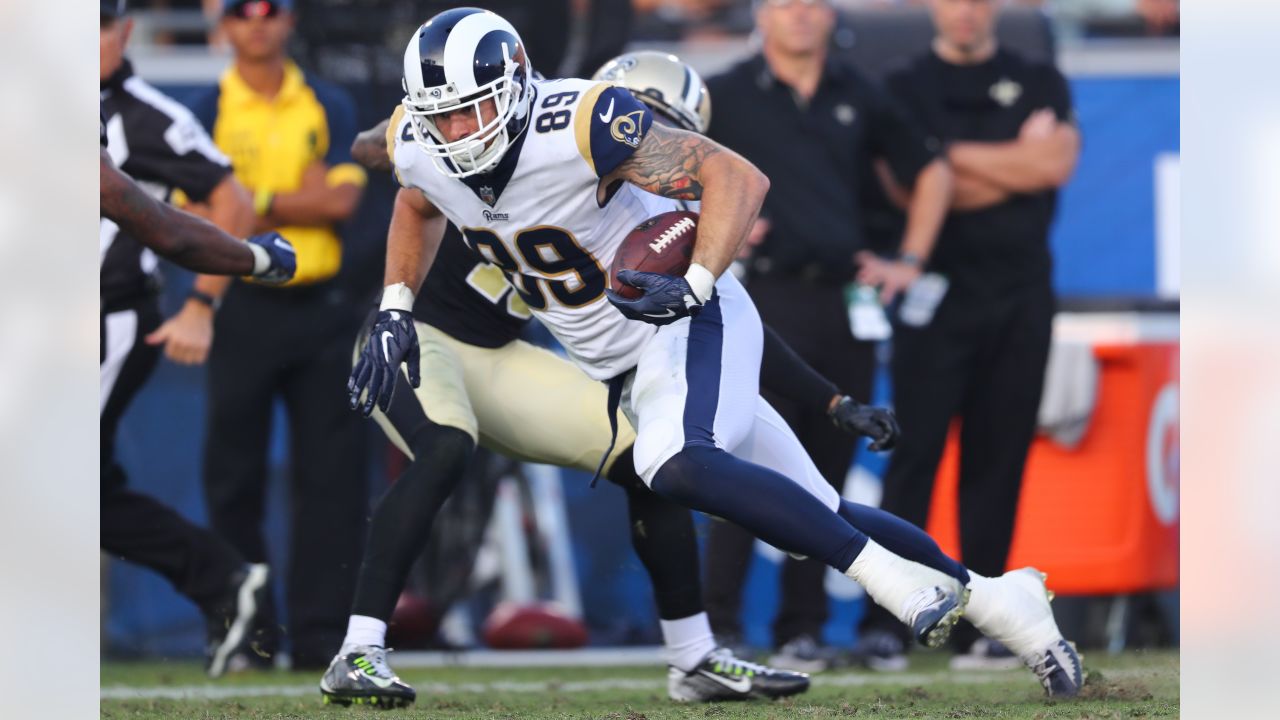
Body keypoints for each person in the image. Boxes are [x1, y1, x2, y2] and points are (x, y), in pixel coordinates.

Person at [351, 5, 1081, 701]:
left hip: (686, 315)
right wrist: (394, 304)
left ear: (513, 86)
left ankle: (895, 583)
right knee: (822, 508)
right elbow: (414, 197)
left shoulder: (576, 120)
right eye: (438, 112)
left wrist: (697, 281)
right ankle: (1003, 603)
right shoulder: (422, 144)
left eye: (467, 108)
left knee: (671, 461)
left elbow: (738, 177)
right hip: (625, 360)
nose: (453, 129)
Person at [320, 49, 897, 708]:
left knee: (643, 453)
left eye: (668, 131)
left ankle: (694, 658)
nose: (654, 147)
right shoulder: (498, 140)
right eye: (646, 123)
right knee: (446, 444)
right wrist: (388, 144)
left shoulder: (634, 209)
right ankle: (358, 649)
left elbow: (724, 316)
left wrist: (829, 398)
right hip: (420, 334)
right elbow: (404, 173)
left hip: (498, 353)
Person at [698, 0, 952, 671]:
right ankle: (717, 624)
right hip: (763, 293)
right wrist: (712, 218)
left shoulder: (858, 91)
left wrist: (910, 262)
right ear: (762, 16)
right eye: (786, 3)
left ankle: (801, 625)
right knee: (736, 462)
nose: (802, 15)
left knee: (824, 473)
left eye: (813, 3)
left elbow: (930, 170)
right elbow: (657, 167)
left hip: (844, 298)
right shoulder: (723, 94)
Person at [856, 0, 1082, 670]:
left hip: (1020, 294)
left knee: (999, 454)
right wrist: (1012, 158)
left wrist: (945, 161)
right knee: (914, 454)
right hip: (938, 294)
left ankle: (992, 618)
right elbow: (908, 190)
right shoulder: (902, 83)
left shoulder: (1038, 76)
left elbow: (1052, 167)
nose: (966, 12)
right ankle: (887, 622)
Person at [187, 0, 370, 669]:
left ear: (290, 20)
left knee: (331, 482)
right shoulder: (205, 110)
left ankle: (323, 637)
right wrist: (291, 198)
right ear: (223, 26)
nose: (256, 22)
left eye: (270, 9)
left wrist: (243, 199)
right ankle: (247, 635)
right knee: (233, 479)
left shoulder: (327, 101)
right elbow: (189, 213)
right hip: (240, 310)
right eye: (241, 11)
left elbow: (342, 203)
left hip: (321, 310)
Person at [99, 99, 297, 677]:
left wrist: (210, 295)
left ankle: (220, 578)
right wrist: (258, 257)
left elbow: (156, 215)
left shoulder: (148, 116)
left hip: (100, 316)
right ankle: (222, 579)